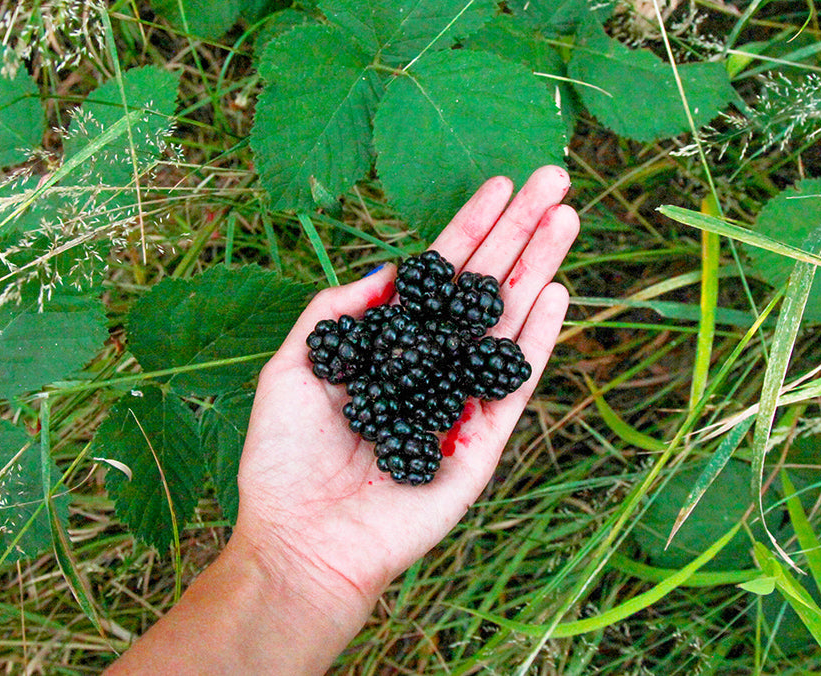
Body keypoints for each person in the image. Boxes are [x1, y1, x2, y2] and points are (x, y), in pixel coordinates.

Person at [105, 165, 580, 675]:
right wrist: (295, 556)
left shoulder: (419, 362)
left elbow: (423, 369)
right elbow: (413, 373)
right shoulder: (403, 374)